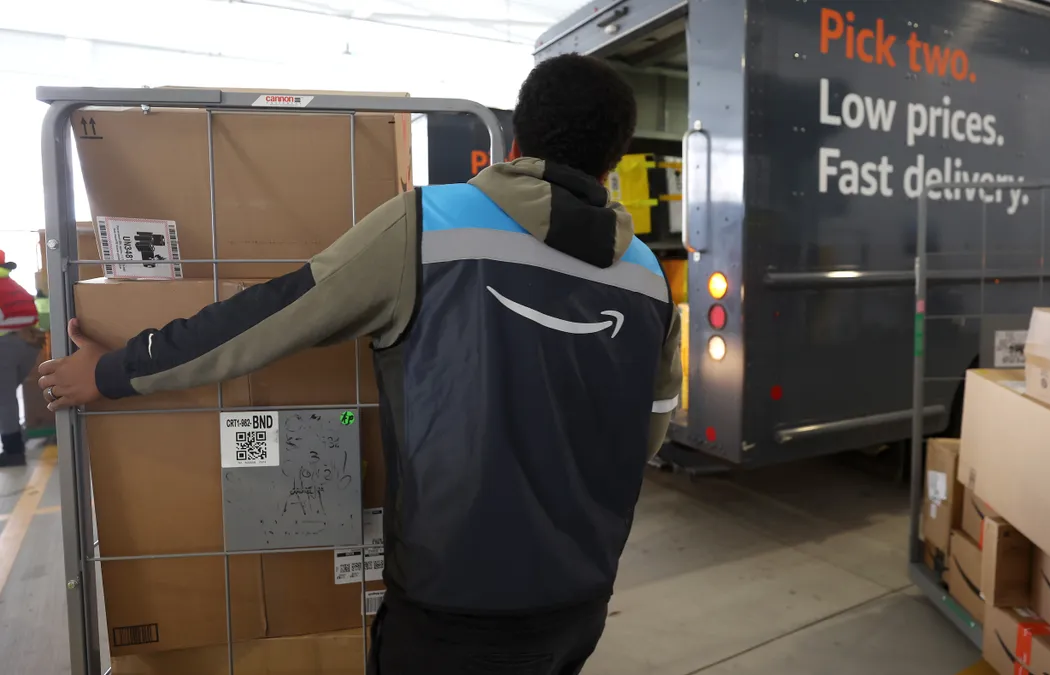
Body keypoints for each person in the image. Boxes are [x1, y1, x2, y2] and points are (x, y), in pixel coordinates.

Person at [37, 53, 682, 674]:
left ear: (516, 141)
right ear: (611, 164)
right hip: (581, 600)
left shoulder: (433, 227)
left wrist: (113, 370)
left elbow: (265, 318)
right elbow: (648, 428)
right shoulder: (648, 277)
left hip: (453, 603)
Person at [0, 251, 44, 468]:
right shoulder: (12, 285)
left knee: (4, 400)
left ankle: (13, 451)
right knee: (6, 398)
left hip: (6, 346)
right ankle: (15, 439)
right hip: (28, 344)